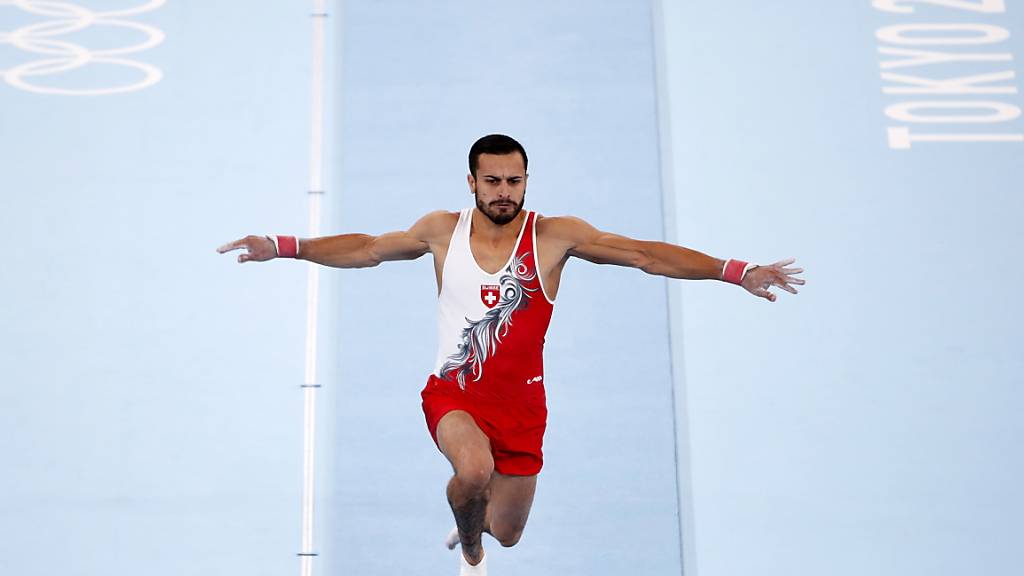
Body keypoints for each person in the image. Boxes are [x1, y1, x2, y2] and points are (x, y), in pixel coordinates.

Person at [217, 134, 804, 575]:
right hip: (454, 395)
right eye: (492, 181)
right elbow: (368, 248)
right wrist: (285, 246)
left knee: (509, 533)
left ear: (526, 182)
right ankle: (469, 551)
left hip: (522, 410)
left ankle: (479, 532)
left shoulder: (554, 236)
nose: (504, 192)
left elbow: (646, 254)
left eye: (514, 181)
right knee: (472, 474)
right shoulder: (441, 231)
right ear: (471, 182)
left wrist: (736, 271)